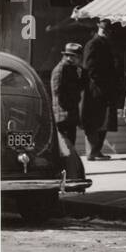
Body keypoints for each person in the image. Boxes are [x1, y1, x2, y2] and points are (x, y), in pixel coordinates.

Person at [81, 20, 119, 161]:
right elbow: (89, 68)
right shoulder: (93, 44)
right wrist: (101, 82)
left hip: (104, 89)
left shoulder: (105, 44)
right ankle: (92, 151)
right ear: (99, 29)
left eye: (107, 31)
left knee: (103, 121)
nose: (106, 33)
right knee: (95, 121)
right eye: (104, 30)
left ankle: (96, 150)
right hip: (96, 90)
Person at [50, 42, 86, 181]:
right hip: (63, 116)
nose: (80, 60)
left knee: (69, 146)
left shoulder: (71, 69)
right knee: (65, 149)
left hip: (69, 115)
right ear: (71, 57)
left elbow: (78, 87)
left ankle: (67, 173)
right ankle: (64, 174)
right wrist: (69, 105)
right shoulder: (61, 69)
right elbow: (58, 92)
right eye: (78, 57)